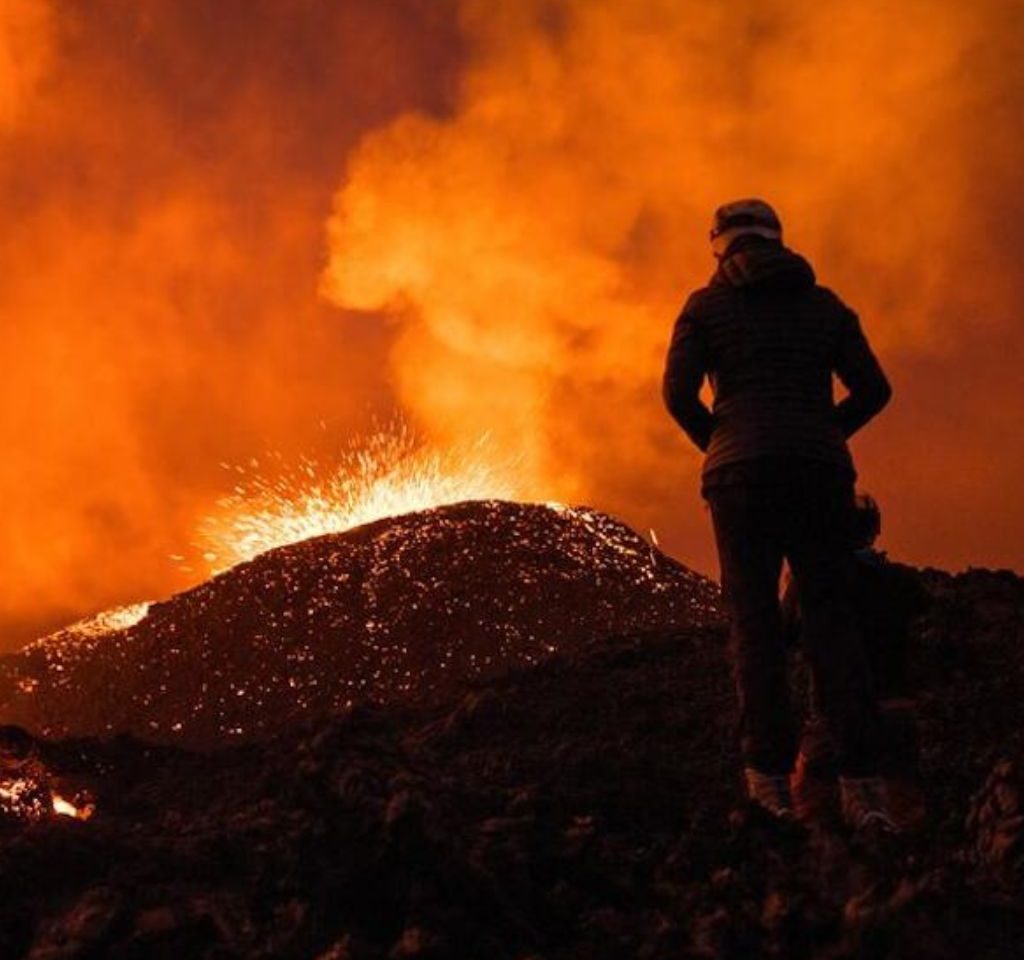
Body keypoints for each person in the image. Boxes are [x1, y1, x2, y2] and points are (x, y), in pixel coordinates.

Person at [663, 198, 895, 829]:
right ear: (777, 240)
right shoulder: (824, 307)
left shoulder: (705, 306)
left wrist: (720, 441)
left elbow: (676, 394)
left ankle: (767, 786)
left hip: (739, 479)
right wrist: (824, 432)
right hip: (818, 473)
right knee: (832, 623)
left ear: (720, 245)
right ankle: (863, 789)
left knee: (755, 624)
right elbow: (875, 389)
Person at [783, 494, 930, 825]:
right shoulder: (900, 582)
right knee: (903, 821)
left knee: (813, 819)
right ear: (873, 530)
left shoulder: (810, 584)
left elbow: (784, 634)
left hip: (831, 716)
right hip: (894, 711)